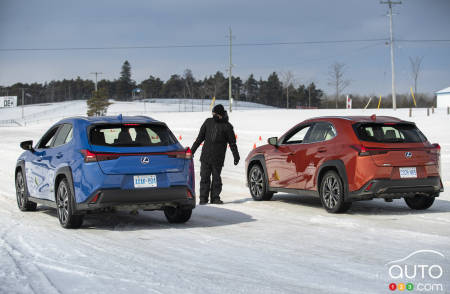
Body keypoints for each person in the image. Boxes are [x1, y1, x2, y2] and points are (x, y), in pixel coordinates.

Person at [191, 104, 240, 205]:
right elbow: (199, 138)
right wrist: (192, 151)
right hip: (205, 156)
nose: (213, 115)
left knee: (216, 179)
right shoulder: (208, 122)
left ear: (220, 114)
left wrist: (236, 156)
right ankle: (203, 199)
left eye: (215, 114)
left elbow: (232, 143)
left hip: (218, 157)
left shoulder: (227, 126)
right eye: (212, 113)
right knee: (204, 178)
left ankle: (215, 198)